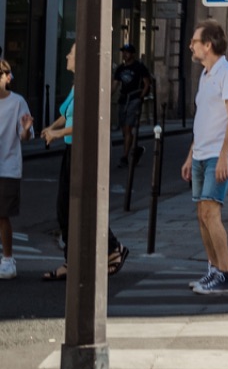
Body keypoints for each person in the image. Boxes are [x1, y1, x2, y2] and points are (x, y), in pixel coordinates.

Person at [38, 44, 128, 278]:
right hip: (71, 151)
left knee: (83, 203)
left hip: (84, 151)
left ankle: (112, 248)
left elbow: (85, 121)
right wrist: (51, 127)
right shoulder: (77, 84)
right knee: (65, 208)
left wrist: (56, 134)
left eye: (71, 53)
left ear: (81, 59)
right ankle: (72, 261)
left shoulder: (89, 85)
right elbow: (67, 114)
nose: (67, 56)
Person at [181, 20, 228, 296]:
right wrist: (189, 155)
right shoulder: (205, 76)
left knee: (211, 212)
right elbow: (204, 120)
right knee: (201, 214)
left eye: (195, 41)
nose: (191, 46)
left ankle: (225, 274)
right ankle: (213, 270)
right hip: (201, 153)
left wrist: (223, 157)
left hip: (220, 154)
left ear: (208, 45)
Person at [0, 60, 34, 279]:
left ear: (6, 77)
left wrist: (26, 129)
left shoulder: (17, 102)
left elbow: (25, 136)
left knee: (2, 215)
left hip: (7, 166)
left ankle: (8, 259)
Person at [113, 44, 152, 168]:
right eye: (123, 52)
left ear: (132, 54)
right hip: (123, 99)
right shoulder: (120, 69)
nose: (125, 54)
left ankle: (124, 157)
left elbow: (147, 83)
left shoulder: (139, 67)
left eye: (127, 52)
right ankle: (136, 149)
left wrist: (141, 96)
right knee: (124, 130)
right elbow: (115, 84)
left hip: (134, 98)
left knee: (128, 127)